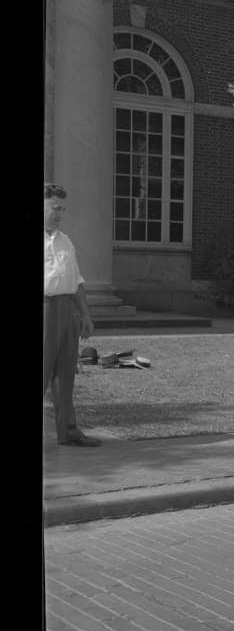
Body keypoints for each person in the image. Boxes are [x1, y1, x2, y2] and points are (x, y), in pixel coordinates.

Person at [43, 182, 100, 447]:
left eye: (62, 208)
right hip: (45, 310)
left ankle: (68, 430)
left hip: (67, 311)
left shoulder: (66, 240)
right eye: (55, 207)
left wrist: (85, 315)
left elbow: (76, 280)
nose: (59, 213)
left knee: (66, 374)